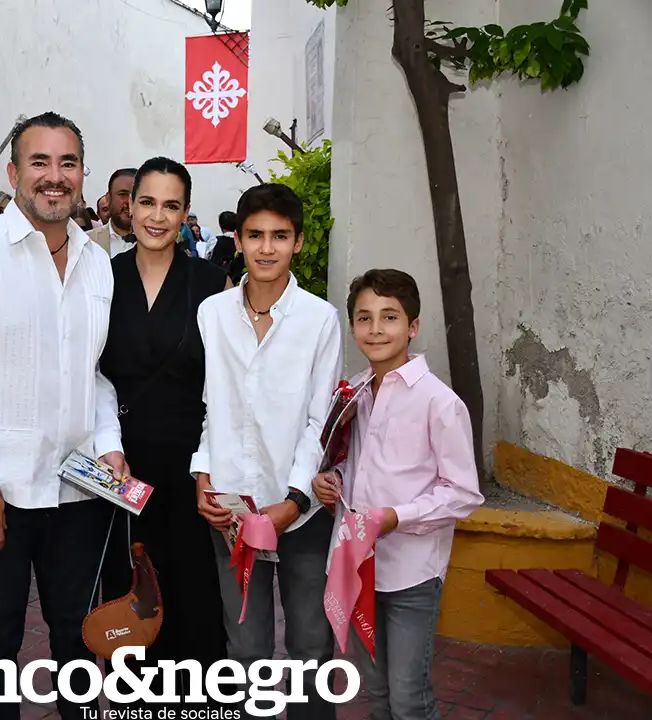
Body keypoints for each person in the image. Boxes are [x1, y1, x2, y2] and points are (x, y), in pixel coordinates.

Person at [0, 112, 126, 720]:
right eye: (40, 162)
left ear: (82, 175)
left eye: (67, 163)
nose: (54, 176)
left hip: (80, 490)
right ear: (14, 174)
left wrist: (110, 444)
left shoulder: (95, 262)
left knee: (78, 639)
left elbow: (94, 372)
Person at [192, 183, 343, 720]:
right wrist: (203, 476)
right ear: (237, 239)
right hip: (232, 509)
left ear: (298, 242)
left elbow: (320, 421)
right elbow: (210, 408)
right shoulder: (212, 314)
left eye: (280, 236)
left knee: (310, 646)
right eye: (255, 235)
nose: (266, 248)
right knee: (244, 649)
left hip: (300, 512)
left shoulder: (320, 319)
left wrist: (294, 502)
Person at [314, 269, 484, 720]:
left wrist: (396, 516)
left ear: (413, 326)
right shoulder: (355, 392)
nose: (375, 329)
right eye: (364, 318)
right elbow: (355, 460)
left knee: (409, 698)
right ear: (353, 327)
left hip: (411, 573)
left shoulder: (439, 402)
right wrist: (333, 478)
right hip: (357, 565)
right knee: (377, 692)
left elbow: (463, 493)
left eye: (389, 317)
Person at [98, 157, 230, 709]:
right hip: (118, 471)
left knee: (194, 602)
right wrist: (106, 446)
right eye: (147, 202)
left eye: (171, 205)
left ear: (185, 213)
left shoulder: (211, 283)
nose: (157, 216)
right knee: (130, 600)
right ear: (129, 207)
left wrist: (210, 466)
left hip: (189, 470)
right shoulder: (101, 277)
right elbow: (88, 375)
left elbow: (225, 387)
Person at [87, 168, 136, 257]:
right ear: (108, 198)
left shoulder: (159, 242)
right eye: (123, 194)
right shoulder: (87, 242)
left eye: (135, 195)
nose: (129, 201)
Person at [208, 210, 239, 275]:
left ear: (220, 225)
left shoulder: (214, 241)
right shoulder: (242, 242)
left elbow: (207, 258)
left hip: (217, 275)